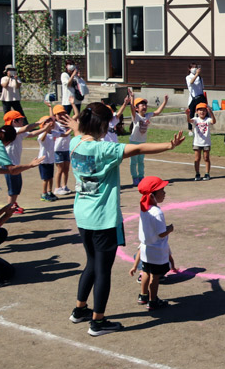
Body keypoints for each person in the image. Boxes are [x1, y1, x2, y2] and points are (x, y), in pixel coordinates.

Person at [63, 102, 185, 336]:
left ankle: (80, 310)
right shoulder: (104, 149)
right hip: (103, 219)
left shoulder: (75, 142)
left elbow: (79, 133)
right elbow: (138, 149)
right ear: (101, 125)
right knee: (102, 271)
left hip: (83, 215)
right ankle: (98, 322)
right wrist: (169, 145)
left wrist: (75, 126)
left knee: (91, 263)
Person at [132, 176, 174, 310]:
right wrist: (170, 229)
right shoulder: (157, 212)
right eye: (162, 190)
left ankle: (143, 296)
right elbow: (161, 233)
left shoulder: (144, 208)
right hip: (156, 250)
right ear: (152, 195)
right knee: (155, 278)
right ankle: (153, 300)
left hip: (145, 248)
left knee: (145, 272)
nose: (164, 193)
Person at [1, 110, 52, 214]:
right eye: (21, 119)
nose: (22, 121)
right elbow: (26, 128)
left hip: (15, 164)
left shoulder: (18, 131)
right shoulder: (11, 130)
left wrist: (44, 129)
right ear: (14, 121)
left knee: (16, 186)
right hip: (9, 165)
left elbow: (32, 133)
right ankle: (10, 207)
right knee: (12, 188)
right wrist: (39, 122)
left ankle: (13, 204)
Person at [127, 91, 169, 187]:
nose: (145, 106)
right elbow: (131, 109)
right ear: (137, 108)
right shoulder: (136, 116)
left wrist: (165, 102)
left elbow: (157, 112)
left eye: (145, 104)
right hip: (133, 142)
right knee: (133, 162)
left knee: (141, 161)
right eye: (142, 105)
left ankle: (141, 177)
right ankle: (135, 178)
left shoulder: (147, 115)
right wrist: (132, 97)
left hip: (142, 142)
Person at [51, 104, 74, 196]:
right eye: (59, 114)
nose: (61, 115)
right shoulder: (55, 124)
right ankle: (57, 187)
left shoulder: (67, 123)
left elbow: (76, 115)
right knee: (60, 169)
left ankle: (64, 186)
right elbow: (51, 119)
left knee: (66, 169)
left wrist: (73, 104)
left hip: (67, 149)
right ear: (55, 116)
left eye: (63, 113)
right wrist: (50, 108)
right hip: (58, 149)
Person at [35, 114, 58, 202]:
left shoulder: (53, 133)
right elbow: (42, 139)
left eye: (50, 121)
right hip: (43, 160)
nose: (50, 123)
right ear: (43, 124)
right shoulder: (41, 134)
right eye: (47, 122)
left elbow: (64, 134)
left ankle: (49, 192)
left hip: (51, 159)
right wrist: (45, 130)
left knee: (50, 177)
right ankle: (44, 193)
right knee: (45, 178)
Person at [191, 102, 214, 181]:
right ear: (196, 112)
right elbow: (189, 120)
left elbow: (213, 121)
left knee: (206, 158)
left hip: (206, 142)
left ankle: (207, 173)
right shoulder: (195, 119)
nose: (202, 112)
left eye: (204, 110)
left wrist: (211, 113)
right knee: (197, 158)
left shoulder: (208, 119)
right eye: (200, 110)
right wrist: (187, 115)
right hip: (197, 142)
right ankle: (197, 173)